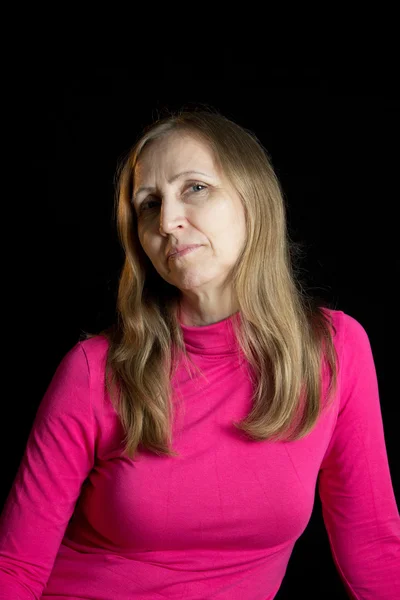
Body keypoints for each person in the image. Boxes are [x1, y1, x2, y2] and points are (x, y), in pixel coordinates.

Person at [0, 109, 399, 599]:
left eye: (195, 188)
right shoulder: (95, 370)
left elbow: (373, 540)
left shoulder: (335, 349)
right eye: (149, 204)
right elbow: (14, 569)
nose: (167, 221)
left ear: (253, 198)